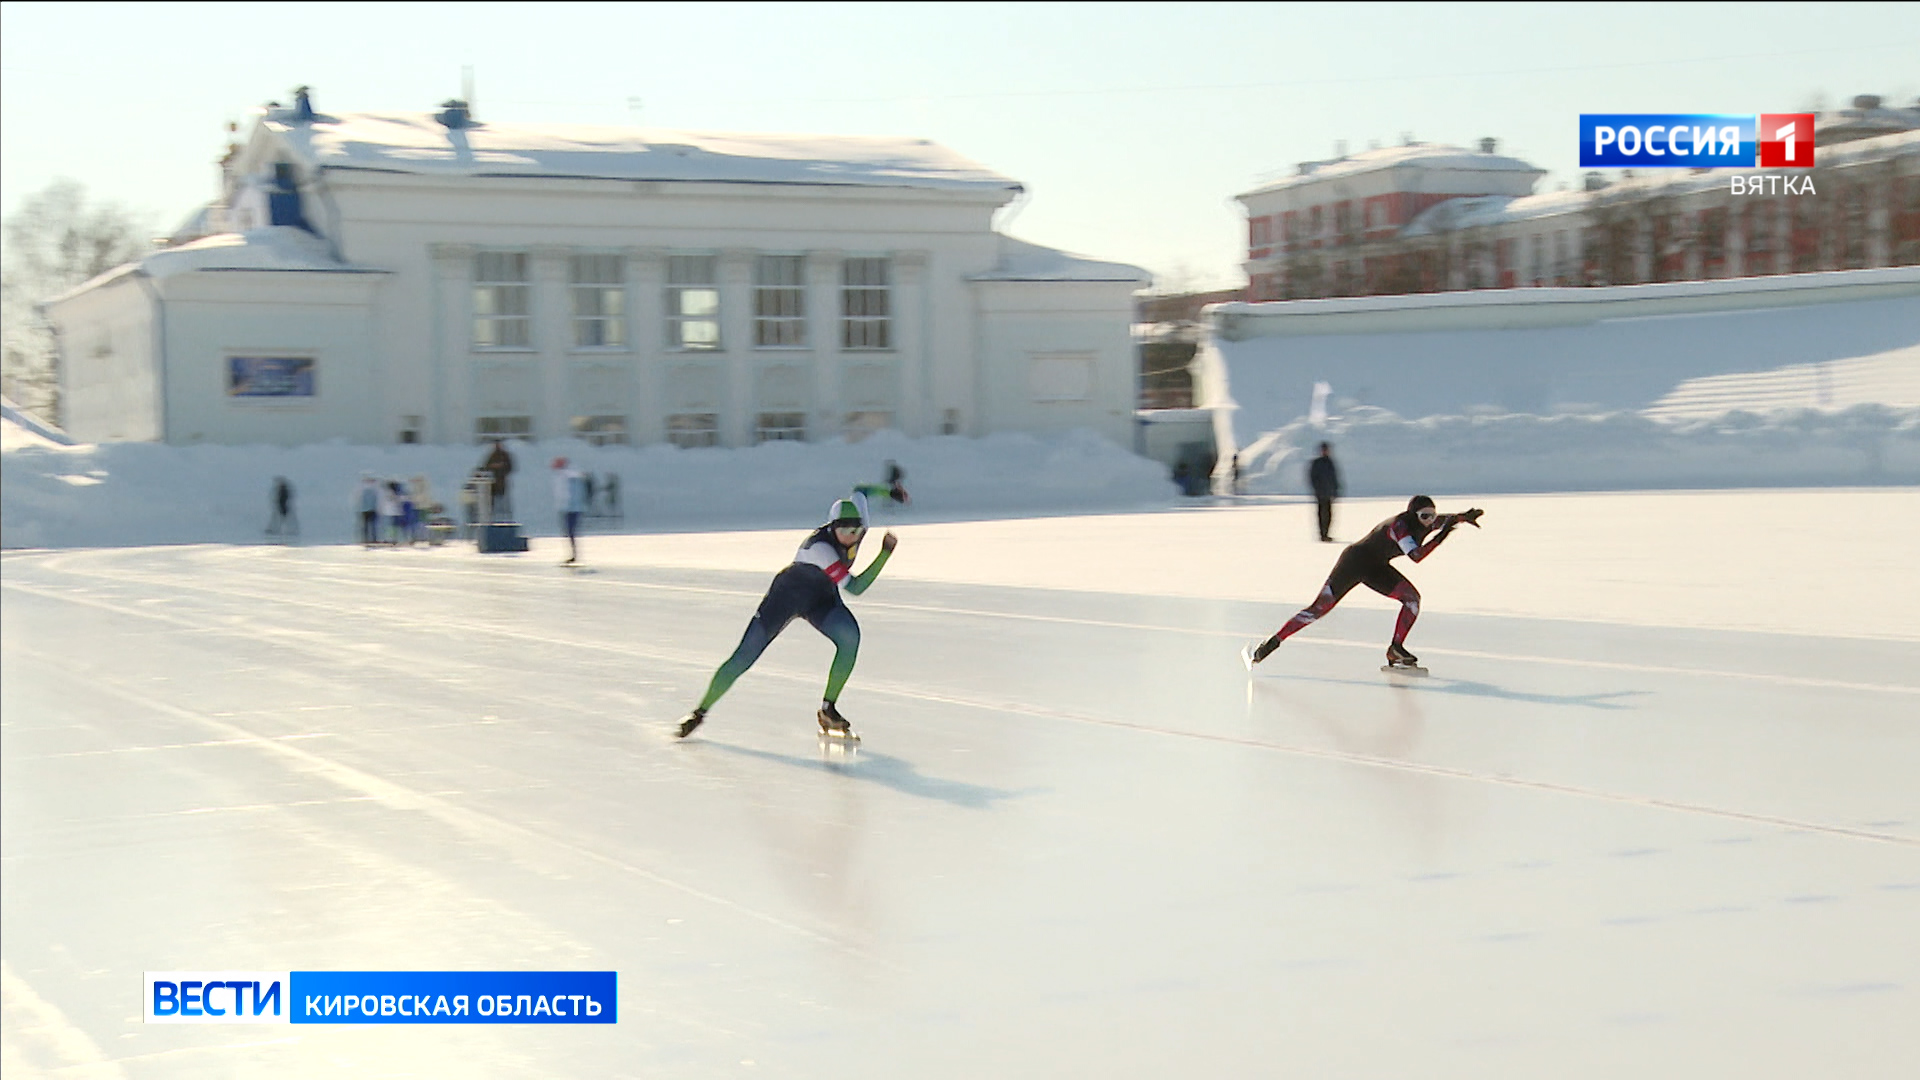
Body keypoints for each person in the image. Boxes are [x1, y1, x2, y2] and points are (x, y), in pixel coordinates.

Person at [676, 494, 898, 740]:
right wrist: (885, 554)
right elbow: (855, 588)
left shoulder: (858, 527)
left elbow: (861, 491)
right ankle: (699, 713)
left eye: (856, 529)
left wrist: (889, 491)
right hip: (786, 597)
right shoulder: (820, 549)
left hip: (821, 599)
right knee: (744, 656)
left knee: (850, 638)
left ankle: (828, 709)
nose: (852, 535)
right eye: (845, 529)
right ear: (832, 527)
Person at [1243, 495, 1484, 670]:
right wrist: (1443, 536)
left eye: (1432, 515)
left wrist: (1462, 517)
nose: (1429, 521)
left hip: (1376, 567)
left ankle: (1395, 649)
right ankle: (1272, 643)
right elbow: (1416, 557)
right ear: (1413, 515)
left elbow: (1445, 519)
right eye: (1424, 516)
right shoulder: (1400, 528)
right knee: (1318, 609)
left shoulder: (1428, 521)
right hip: (1354, 562)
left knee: (1412, 600)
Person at [552, 456, 587, 565]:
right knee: (569, 532)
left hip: (571, 508)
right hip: (568, 508)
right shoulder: (561, 476)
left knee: (570, 532)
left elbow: (566, 492)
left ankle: (573, 555)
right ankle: (572, 554)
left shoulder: (566, 476)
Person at [1309, 442, 1342, 542]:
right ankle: (1322, 534)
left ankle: (1326, 533)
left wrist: (1335, 489)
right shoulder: (1317, 463)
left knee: (1329, 514)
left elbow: (1334, 477)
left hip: (1329, 492)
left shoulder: (1330, 462)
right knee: (1321, 513)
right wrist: (1317, 489)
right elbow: (1313, 477)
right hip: (1320, 493)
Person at [480, 439, 515, 519]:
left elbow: (510, 467)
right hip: (492, 483)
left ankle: (505, 516)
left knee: (503, 500)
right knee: (492, 500)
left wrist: (501, 467)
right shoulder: (492, 456)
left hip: (502, 482)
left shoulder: (505, 455)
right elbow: (486, 467)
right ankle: (492, 514)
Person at [358, 474, 380, 546]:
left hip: (367, 509)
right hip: (369, 509)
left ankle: (367, 539)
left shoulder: (363, 489)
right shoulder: (373, 490)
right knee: (370, 525)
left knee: (368, 526)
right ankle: (370, 539)